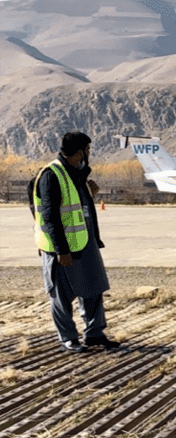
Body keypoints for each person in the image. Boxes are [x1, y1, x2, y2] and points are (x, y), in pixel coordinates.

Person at [33, 132, 120, 353]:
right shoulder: (51, 175)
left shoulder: (77, 174)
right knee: (61, 296)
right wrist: (62, 250)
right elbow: (50, 216)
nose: (89, 155)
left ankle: (94, 334)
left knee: (93, 288)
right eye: (88, 150)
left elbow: (75, 208)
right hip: (60, 249)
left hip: (84, 243)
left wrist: (88, 193)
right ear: (80, 151)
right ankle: (69, 339)